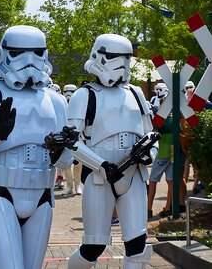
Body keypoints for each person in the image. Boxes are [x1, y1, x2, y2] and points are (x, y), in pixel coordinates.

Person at [0, 25, 70, 269]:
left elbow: (65, 162)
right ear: (5, 53)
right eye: (19, 52)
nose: (29, 61)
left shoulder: (56, 101)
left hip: (42, 194)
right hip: (0, 192)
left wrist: (63, 147)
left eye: (36, 52)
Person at [66, 34, 154, 268]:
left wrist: (148, 154)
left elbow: (150, 133)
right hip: (99, 178)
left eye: (126, 58)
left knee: (138, 245)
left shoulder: (135, 93)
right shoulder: (84, 95)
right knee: (94, 246)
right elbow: (71, 141)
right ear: (100, 57)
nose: (122, 65)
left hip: (133, 174)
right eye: (116, 58)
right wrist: (101, 165)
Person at [61, 84, 82, 196]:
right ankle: (69, 186)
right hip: (65, 137)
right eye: (66, 91)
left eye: (71, 91)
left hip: (78, 137)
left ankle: (77, 185)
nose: (68, 94)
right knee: (67, 164)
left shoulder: (80, 104)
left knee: (78, 164)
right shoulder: (62, 104)